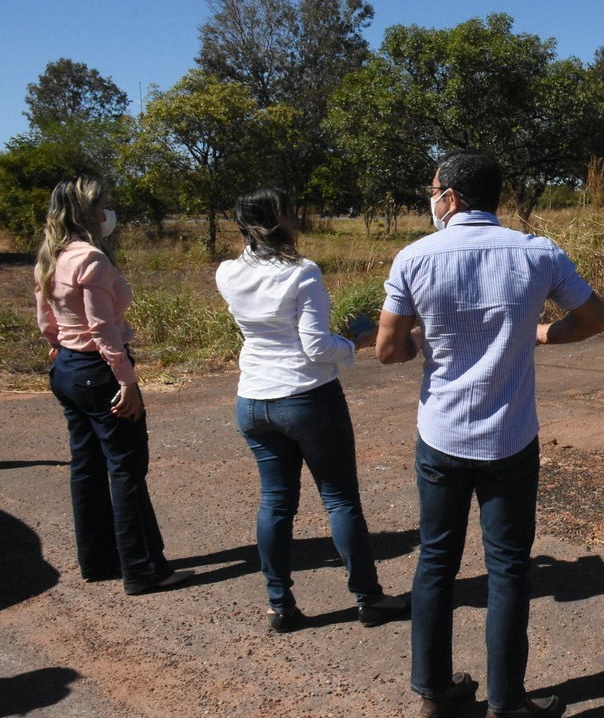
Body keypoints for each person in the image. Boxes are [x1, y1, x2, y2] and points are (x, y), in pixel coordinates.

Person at [377, 150, 604, 718]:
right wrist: (541, 334)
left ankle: (433, 695)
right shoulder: (538, 253)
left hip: (442, 435)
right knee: (508, 569)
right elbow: (595, 319)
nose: (431, 198)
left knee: (436, 562)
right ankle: (507, 708)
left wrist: (418, 346)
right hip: (509, 436)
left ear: (450, 197)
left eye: (433, 189)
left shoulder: (414, 258)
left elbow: (388, 349)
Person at [216, 186, 407, 633]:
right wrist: (355, 343)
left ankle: (279, 605)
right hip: (306, 396)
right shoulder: (302, 272)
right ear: (280, 218)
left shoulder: (227, 273)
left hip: (254, 399)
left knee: (275, 503)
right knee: (339, 499)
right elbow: (317, 347)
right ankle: (368, 597)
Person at [35, 174, 193, 596]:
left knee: (85, 466)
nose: (109, 212)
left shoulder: (52, 255)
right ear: (87, 212)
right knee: (126, 469)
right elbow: (103, 329)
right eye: (103, 204)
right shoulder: (91, 259)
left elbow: (45, 319)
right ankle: (143, 570)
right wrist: (127, 381)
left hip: (68, 368)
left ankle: (99, 559)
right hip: (98, 370)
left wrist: (59, 349)